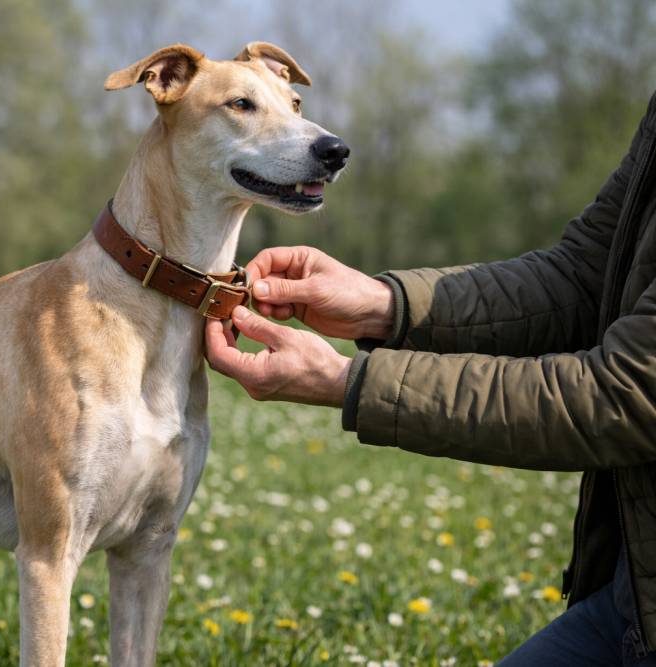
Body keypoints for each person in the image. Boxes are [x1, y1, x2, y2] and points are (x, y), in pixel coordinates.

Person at [205, 91, 656, 666]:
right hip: (630, 601)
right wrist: (385, 303)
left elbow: (625, 395)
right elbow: (583, 277)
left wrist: (349, 381)